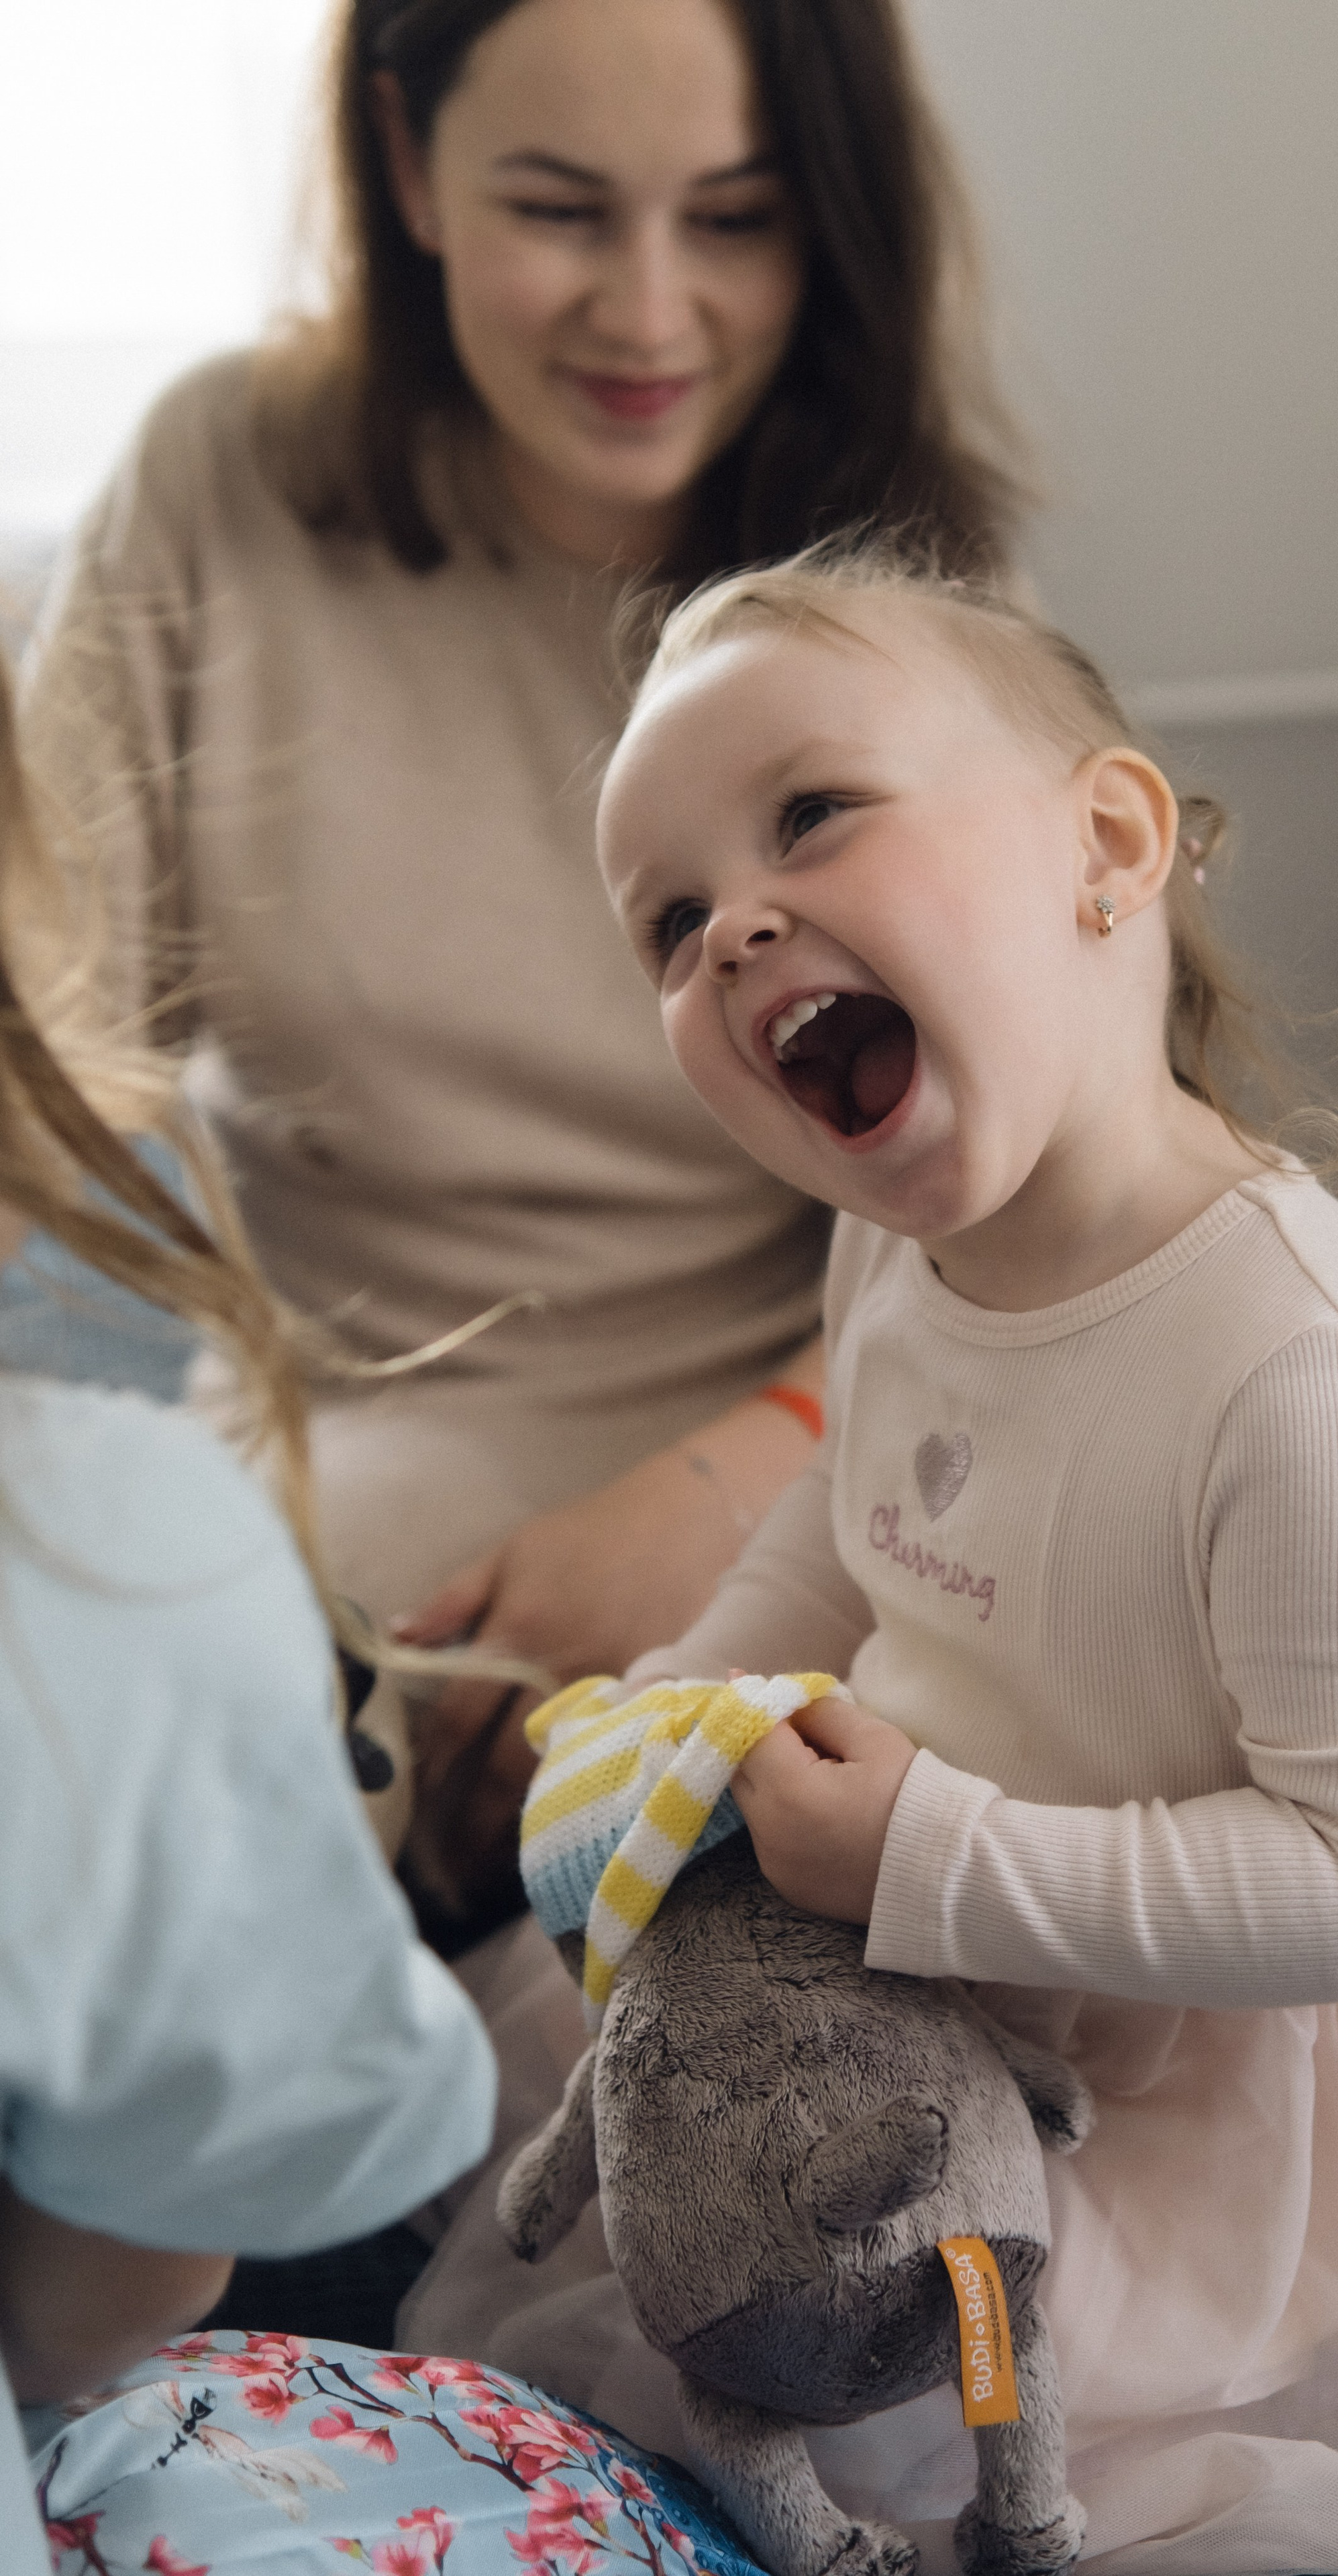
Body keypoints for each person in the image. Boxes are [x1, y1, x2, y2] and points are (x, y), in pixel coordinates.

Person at [403, 547, 1338, 2576]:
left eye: (811, 814)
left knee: (921, 2420)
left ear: (1107, 846)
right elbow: (845, 1517)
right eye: (673, 923)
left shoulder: (1297, 1372)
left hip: (1208, 2009)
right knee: (668, 2199)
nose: (736, 926)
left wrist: (936, 1861)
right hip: (920, 1893)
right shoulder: (893, 1236)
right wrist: (686, 1694)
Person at [20, 0, 1022, 1884]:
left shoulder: (909, 582)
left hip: (862, 1431)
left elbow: (1057, 1185)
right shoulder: (215, 487)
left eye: (734, 219)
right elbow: (45, 1047)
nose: (649, 318)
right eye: (562, 210)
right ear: (405, 162)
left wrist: (755, 1479)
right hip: (376, 1443)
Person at [0, 665, 764, 2576]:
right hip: (362, 1422)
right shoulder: (112, 1559)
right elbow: (116, 2286)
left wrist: (740, 1476)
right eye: (669, 923)